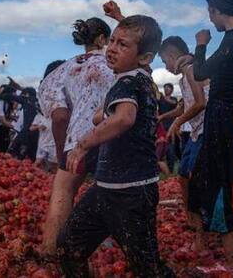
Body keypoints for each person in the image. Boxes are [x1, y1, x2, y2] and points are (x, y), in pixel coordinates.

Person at [58, 15, 173, 278]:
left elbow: (124, 118)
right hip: (105, 190)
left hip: (131, 196)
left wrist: (83, 143)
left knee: (146, 267)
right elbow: (116, 113)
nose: (112, 48)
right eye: (112, 41)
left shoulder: (129, 82)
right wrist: (102, 115)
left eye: (122, 45)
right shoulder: (137, 78)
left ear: (144, 58)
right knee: (68, 246)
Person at [179, 0, 233, 268]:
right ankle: (205, 242)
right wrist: (194, 56)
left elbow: (200, 72)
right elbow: (206, 67)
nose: (210, 19)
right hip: (221, 117)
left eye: (211, 13)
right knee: (203, 178)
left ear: (219, 10)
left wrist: (200, 44)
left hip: (223, 118)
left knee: (218, 183)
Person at [38, 16, 115, 255]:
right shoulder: (116, 66)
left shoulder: (62, 71)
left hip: (77, 141)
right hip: (113, 138)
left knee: (63, 191)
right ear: (103, 39)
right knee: (112, 194)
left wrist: (64, 153)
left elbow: (60, 117)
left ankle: (51, 251)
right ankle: (106, 251)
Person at [158, 35, 208, 236]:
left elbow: (200, 102)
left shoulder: (190, 69)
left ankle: (201, 223)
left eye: (164, 61)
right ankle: (192, 217)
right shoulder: (186, 74)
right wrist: (164, 116)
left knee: (194, 177)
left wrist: (177, 123)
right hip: (197, 133)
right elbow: (184, 106)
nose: (166, 66)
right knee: (184, 173)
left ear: (171, 55)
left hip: (207, 130)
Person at [33, 61, 66, 172]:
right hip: (50, 144)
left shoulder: (49, 91)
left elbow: (60, 118)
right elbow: (60, 118)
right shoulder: (54, 90)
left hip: (61, 146)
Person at [158, 83, 179, 172]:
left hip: (170, 126)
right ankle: (161, 168)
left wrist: (164, 97)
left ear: (172, 90)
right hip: (161, 126)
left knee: (170, 147)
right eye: (165, 88)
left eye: (168, 88)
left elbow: (174, 104)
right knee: (160, 146)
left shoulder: (173, 99)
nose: (166, 89)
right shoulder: (160, 99)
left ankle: (170, 168)